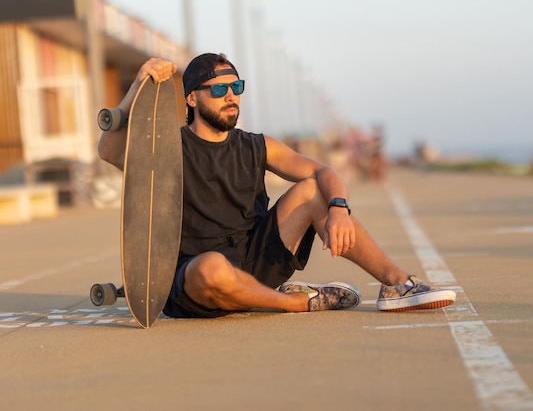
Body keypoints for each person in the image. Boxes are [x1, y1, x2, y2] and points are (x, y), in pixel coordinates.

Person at [98, 53, 456, 318]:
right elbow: (109, 150)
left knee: (314, 190)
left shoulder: (257, 145)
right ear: (191, 98)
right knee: (211, 268)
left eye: (236, 87)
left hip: (257, 259)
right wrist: (136, 88)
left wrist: (338, 208)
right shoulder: (169, 149)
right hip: (197, 278)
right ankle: (298, 301)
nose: (231, 96)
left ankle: (396, 282)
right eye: (219, 89)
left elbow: (324, 172)